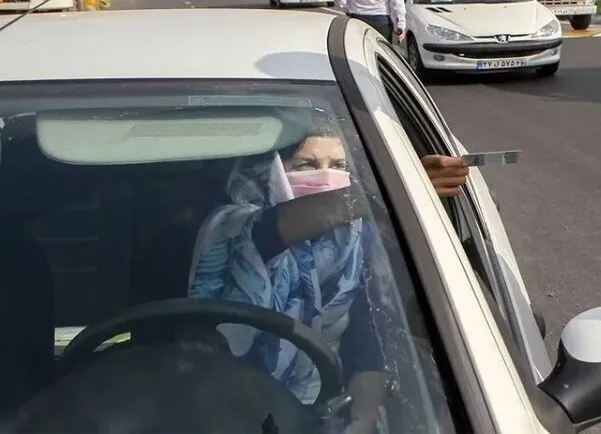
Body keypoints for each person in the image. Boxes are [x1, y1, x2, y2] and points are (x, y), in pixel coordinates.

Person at [189, 126, 471, 406]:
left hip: (319, 404)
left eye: (338, 165)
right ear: (267, 169)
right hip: (225, 400)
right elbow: (273, 228)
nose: (326, 177)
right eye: (307, 165)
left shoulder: (354, 236)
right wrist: (397, 187)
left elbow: (365, 336)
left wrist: (361, 418)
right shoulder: (231, 224)